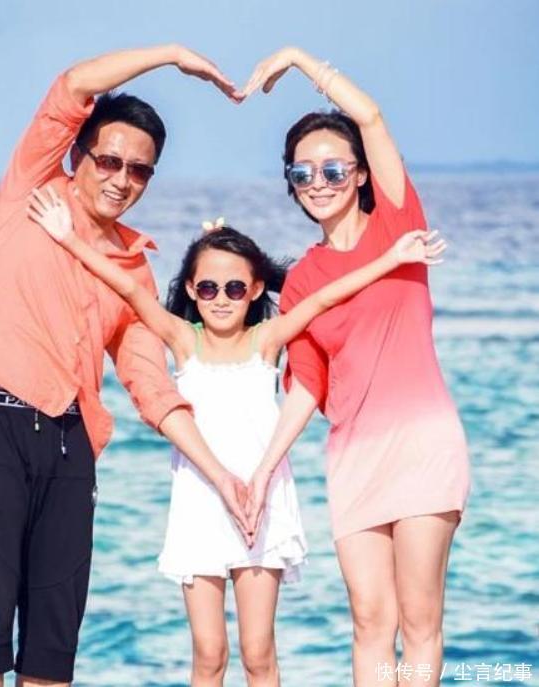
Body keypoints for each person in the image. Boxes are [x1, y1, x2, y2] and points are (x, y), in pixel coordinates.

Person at [27, 186, 445, 687]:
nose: (221, 299)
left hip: (260, 506)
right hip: (200, 504)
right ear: (191, 291)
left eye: (233, 288)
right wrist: (69, 239)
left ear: (254, 289)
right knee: (208, 653)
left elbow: (326, 296)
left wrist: (392, 258)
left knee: (258, 653)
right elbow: (130, 290)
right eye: (207, 288)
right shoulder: (183, 340)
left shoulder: (266, 340)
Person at [0, 45, 253, 687]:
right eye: (109, 160)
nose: (121, 180)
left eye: (139, 170)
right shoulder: (31, 187)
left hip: (69, 444)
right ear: (79, 154)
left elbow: (150, 385)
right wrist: (171, 56)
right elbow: (73, 85)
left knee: (54, 642)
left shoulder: (133, 268)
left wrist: (220, 472)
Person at [241, 48, 471, 687]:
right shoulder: (302, 280)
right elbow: (308, 384)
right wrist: (262, 470)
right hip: (353, 460)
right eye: (302, 173)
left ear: (362, 173)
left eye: (333, 168)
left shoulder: (398, 223)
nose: (318, 182)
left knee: (419, 618)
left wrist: (295, 57)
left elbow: (369, 116)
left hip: (424, 445)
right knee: (370, 620)